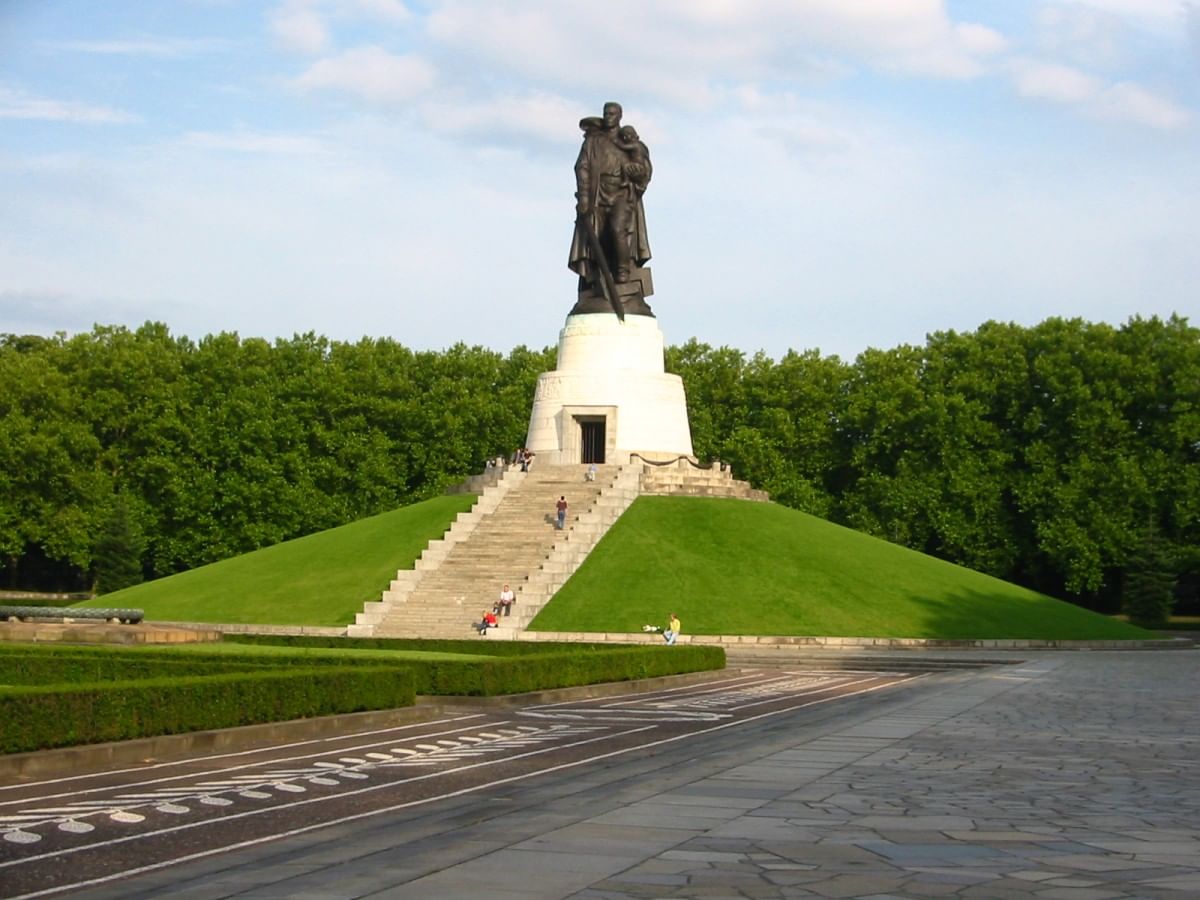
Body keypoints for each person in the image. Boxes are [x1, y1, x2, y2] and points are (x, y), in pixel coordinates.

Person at [568, 101, 652, 289]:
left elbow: (645, 169)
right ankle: (598, 280)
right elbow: (582, 166)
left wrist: (638, 172)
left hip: (621, 193)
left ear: (619, 116)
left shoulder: (628, 141)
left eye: (612, 114)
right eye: (606, 113)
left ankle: (623, 271)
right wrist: (583, 196)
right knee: (595, 237)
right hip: (597, 194)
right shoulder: (593, 141)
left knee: (617, 229)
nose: (608, 117)